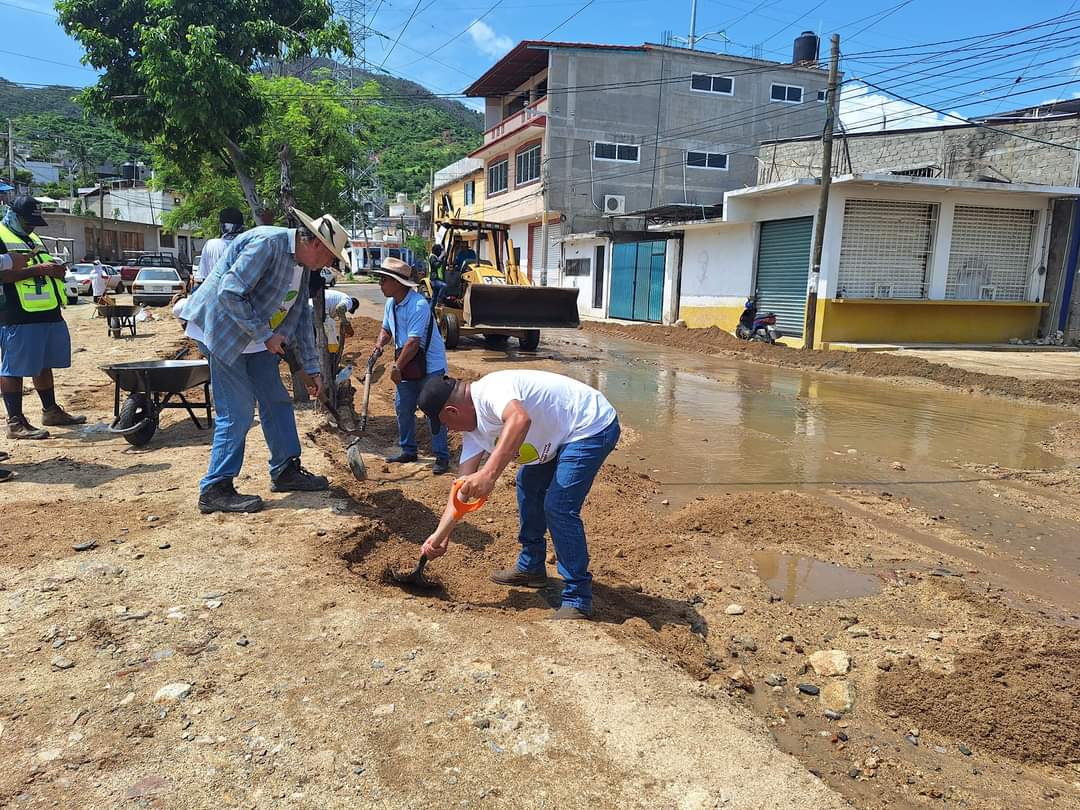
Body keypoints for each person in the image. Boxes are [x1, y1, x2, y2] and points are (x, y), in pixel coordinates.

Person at [181, 207, 350, 514]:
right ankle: (215, 488)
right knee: (238, 412)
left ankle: (285, 469)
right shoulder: (267, 244)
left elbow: (299, 319)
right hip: (222, 330)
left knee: (277, 401)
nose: (329, 264)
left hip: (256, 338)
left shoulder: (304, 267)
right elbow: (229, 293)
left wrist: (311, 370)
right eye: (330, 257)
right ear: (316, 245)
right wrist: (265, 334)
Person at [416, 370, 620, 620]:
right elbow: (460, 489)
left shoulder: (491, 390)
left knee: (558, 506)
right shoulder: (474, 433)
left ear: (452, 411)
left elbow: (520, 419)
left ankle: (577, 598)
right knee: (528, 483)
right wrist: (440, 536)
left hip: (590, 425)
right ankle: (531, 566)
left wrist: (489, 474)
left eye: (445, 424)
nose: (449, 430)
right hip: (559, 435)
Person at [0, 195, 86, 441]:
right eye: (27, 221)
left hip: (47, 311)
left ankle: (50, 411)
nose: (31, 226)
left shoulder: (33, 237)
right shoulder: (1, 236)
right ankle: (15, 422)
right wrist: (37, 270)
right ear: (12, 214)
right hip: (16, 314)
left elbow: (44, 266)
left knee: (43, 363)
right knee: (13, 368)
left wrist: (56, 271)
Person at [369, 257, 450, 476]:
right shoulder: (390, 303)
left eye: (384, 280)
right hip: (407, 363)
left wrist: (396, 367)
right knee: (403, 408)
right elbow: (387, 329)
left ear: (397, 283)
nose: (380, 284)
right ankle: (408, 449)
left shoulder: (418, 305)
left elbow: (414, 343)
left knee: (434, 409)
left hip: (430, 366)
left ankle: (442, 456)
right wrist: (378, 346)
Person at [194, 207, 246, 290]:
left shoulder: (211, 244)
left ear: (222, 226)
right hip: (240, 297)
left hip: (213, 296)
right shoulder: (248, 245)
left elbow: (200, 278)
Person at [320, 288, 359, 355]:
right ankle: (332, 354)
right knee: (331, 332)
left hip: (314, 304)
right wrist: (346, 324)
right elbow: (340, 308)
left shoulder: (339, 297)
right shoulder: (348, 301)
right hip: (321, 307)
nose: (348, 310)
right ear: (353, 306)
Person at [427, 244, 447, 311]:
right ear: (436, 251)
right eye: (440, 251)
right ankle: (439, 301)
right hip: (434, 280)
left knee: (434, 298)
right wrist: (441, 257)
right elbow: (436, 265)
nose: (440, 252)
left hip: (437, 279)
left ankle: (430, 312)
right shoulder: (432, 257)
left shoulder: (435, 257)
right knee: (444, 286)